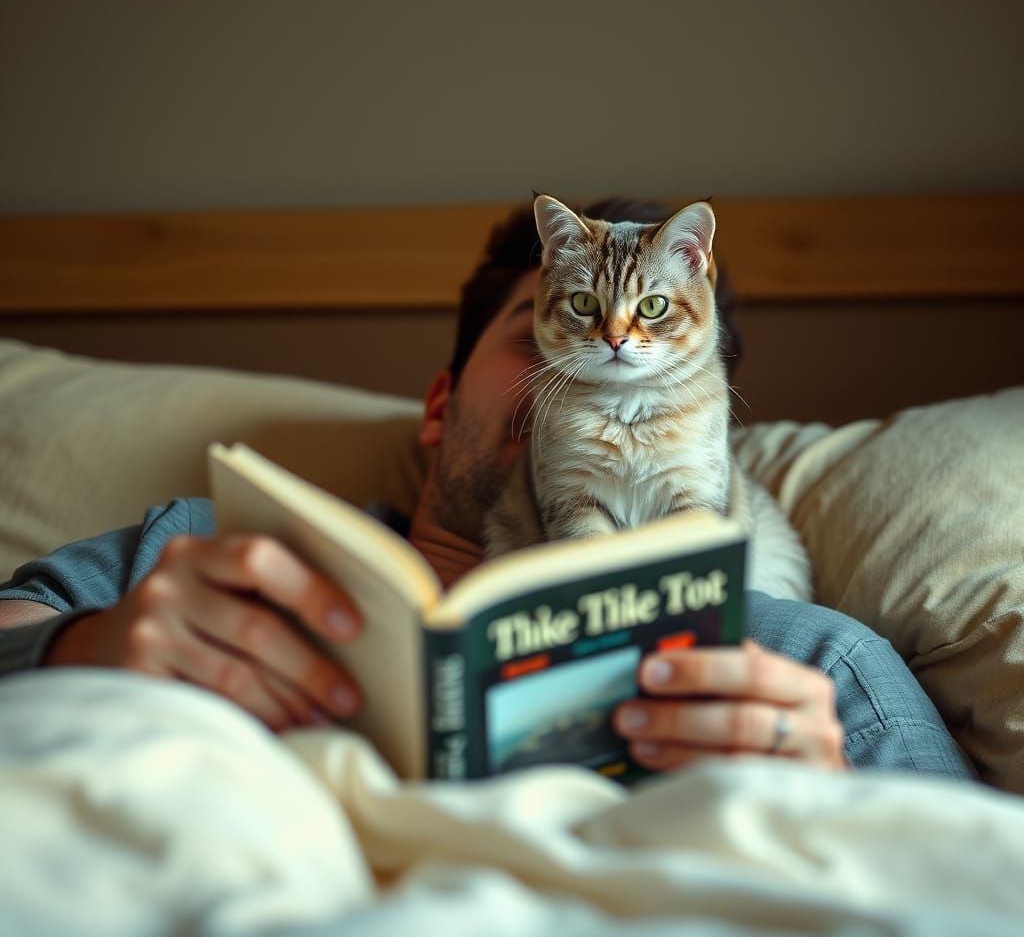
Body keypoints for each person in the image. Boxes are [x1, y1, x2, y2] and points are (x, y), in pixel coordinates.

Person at [0, 198, 973, 779]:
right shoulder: (213, 544)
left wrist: (834, 803)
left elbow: (955, 887)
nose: (602, 370)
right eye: (542, 334)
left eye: (642, 359)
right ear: (439, 400)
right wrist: (77, 646)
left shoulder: (811, 662)